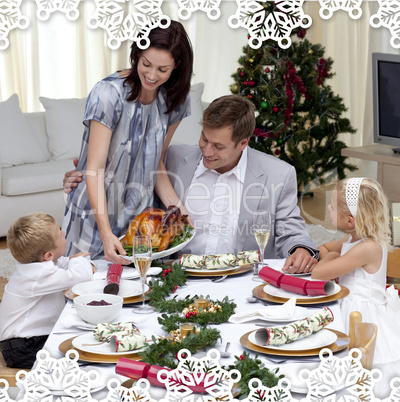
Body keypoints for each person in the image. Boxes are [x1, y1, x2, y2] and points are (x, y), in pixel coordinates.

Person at [64, 95, 318, 272]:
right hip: (178, 276)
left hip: (241, 277)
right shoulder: (173, 159)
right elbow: (123, 181)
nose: (206, 151)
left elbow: (289, 226)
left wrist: (301, 249)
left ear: (243, 143)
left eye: (218, 146)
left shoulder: (278, 173)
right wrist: (80, 178)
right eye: (204, 138)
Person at [63, 20, 194, 265]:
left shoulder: (176, 99)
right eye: (146, 64)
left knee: (140, 292)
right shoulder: (108, 94)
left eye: (163, 69)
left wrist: (178, 210)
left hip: (140, 217)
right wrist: (105, 231)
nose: (152, 75)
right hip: (95, 213)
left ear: (177, 66)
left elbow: (157, 165)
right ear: (136, 55)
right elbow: (95, 168)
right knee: (86, 289)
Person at [311, 177, 400, 380]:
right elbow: (322, 249)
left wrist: (334, 260)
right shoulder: (353, 238)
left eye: (333, 207)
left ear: (350, 220)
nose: (328, 207)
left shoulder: (368, 247)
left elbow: (318, 274)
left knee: (354, 364)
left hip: (362, 314)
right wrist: (336, 261)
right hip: (347, 301)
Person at [0, 212, 95, 368]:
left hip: (31, 340)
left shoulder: (36, 266)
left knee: (81, 339)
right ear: (48, 255)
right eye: (60, 233)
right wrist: (78, 260)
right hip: (22, 348)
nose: (64, 233)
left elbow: (63, 264)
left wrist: (73, 261)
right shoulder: (37, 276)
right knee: (80, 354)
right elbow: (80, 275)